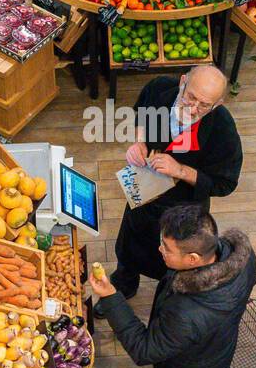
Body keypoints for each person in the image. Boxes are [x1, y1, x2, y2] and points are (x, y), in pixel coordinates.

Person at [90, 205, 256, 368]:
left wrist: (112, 297)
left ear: (193, 259)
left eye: (166, 248)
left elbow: (144, 349)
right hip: (223, 347)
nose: (159, 249)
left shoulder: (185, 311)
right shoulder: (242, 258)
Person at [102, 68, 243, 305]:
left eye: (204, 105)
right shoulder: (159, 88)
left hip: (182, 210)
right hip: (143, 193)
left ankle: (165, 305)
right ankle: (121, 289)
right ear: (182, 82)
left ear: (217, 104)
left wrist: (181, 171)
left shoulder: (222, 129)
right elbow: (141, 113)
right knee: (129, 248)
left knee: (172, 270)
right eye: (190, 98)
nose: (193, 109)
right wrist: (139, 143)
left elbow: (226, 183)